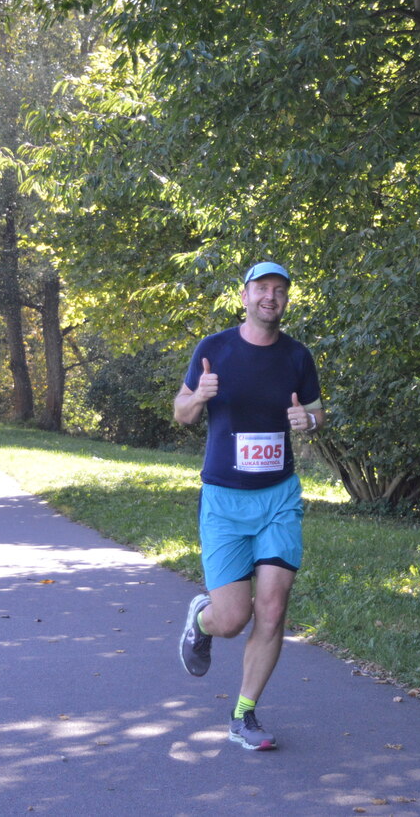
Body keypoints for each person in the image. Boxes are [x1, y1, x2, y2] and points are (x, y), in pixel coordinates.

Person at [174, 261, 325, 751]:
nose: (270, 297)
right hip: (224, 500)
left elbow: (316, 410)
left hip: (279, 498)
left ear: (286, 299)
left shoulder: (297, 355)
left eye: (279, 290)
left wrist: (309, 421)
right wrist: (199, 397)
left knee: (273, 609)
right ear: (244, 295)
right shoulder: (214, 349)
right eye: (262, 288)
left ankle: (244, 714)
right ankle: (203, 618)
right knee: (233, 619)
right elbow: (181, 413)